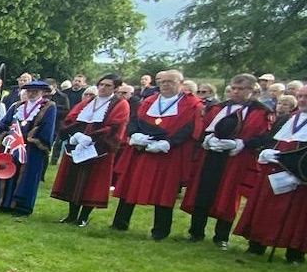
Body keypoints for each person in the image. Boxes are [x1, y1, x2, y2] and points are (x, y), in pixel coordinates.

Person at [180, 74, 274, 248]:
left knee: (228, 196)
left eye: (241, 89)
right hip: (211, 156)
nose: (235, 92)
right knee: (202, 192)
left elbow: (264, 137)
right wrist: (207, 139)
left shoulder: (262, 112)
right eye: (233, 88)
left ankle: (221, 237)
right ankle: (196, 232)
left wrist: (242, 143)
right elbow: (204, 128)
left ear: (252, 90)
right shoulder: (218, 108)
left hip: (236, 160)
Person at [111, 70, 206, 239]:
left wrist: (169, 143)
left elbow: (190, 128)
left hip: (169, 153)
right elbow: (135, 120)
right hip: (142, 151)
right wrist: (134, 134)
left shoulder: (192, 104)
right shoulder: (149, 101)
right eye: (162, 82)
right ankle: (120, 223)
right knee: (130, 185)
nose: (166, 85)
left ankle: (160, 231)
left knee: (165, 191)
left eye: (171, 81)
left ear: (181, 84)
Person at [234, 85, 307, 263]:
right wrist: (265, 152)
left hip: (299, 174)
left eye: (306, 97)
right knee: (265, 208)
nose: (302, 100)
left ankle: (294, 253)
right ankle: (257, 244)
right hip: (273, 169)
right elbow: (269, 140)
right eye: (300, 96)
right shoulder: (286, 118)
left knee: (296, 216)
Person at [49, 75, 130, 227]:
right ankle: (72, 215)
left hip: (100, 147)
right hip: (79, 144)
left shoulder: (121, 104)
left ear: (116, 88)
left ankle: (83, 217)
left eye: (108, 85)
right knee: (74, 178)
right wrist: (75, 134)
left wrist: (93, 137)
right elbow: (72, 117)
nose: (103, 88)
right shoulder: (89, 101)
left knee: (92, 182)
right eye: (101, 84)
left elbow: (115, 126)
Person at [0, 81, 57, 217]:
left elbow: (47, 128)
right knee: (8, 172)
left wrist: (31, 139)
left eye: (35, 91)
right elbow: (3, 124)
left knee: (26, 176)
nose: (31, 94)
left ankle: (21, 207)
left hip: (31, 149)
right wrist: (8, 135)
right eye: (29, 91)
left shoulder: (49, 107)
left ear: (42, 93)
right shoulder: (17, 106)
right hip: (13, 146)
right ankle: (3, 203)